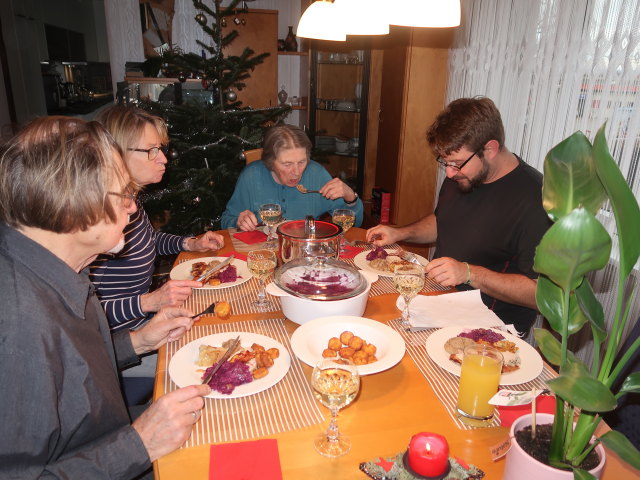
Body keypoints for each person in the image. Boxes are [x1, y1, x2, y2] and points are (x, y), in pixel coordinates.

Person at [0, 116, 210, 479]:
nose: (132, 209)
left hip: (113, 432)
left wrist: (139, 341)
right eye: (123, 194)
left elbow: (76, 374)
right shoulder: (19, 330)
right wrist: (140, 443)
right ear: (73, 206)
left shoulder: (65, 269)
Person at [367, 97, 551, 335]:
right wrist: (400, 232)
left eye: (456, 163)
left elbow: (541, 296)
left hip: (491, 328)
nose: (450, 173)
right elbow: (443, 221)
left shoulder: (536, 200)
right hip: (439, 303)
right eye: (445, 163)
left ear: (490, 149)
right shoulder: (463, 175)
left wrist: (469, 273)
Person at [89, 105, 225, 333]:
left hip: (146, 323)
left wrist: (190, 243)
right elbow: (81, 315)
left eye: (160, 148)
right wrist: (148, 302)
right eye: (151, 150)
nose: (163, 158)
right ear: (117, 153)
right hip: (118, 344)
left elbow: (149, 239)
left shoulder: (130, 200)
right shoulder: (99, 221)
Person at [220, 124, 364, 231]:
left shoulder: (317, 174)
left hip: (305, 255)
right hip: (262, 254)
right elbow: (226, 220)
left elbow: (354, 224)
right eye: (287, 164)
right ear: (271, 162)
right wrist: (238, 222)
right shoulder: (251, 176)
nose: (296, 172)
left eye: (301, 162)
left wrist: (350, 197)